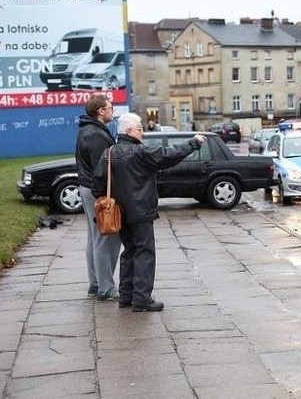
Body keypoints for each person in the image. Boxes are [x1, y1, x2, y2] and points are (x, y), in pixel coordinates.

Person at [93, 113, 206, 312]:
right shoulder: (141, 152)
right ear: (128, 131)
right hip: (141, 211)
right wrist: (194, 143)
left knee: (128, 251)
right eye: (139, 128)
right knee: (145, 252)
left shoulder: (108, 153)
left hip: (118, 212)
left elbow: (97, 183)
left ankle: (126, 296)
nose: (142, 132)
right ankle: (142, 298)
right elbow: (169, 154)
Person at [75, 94, 121, 301]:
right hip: (96, 190)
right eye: (110, 107)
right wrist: (105, 196)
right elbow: (100, 169)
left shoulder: (89, 129)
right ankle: (106, 288)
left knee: (94, 238)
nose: (113, 110)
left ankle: (95, 283)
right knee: (106, 238)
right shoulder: (96, 135)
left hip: (87, 189)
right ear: (100, 111)